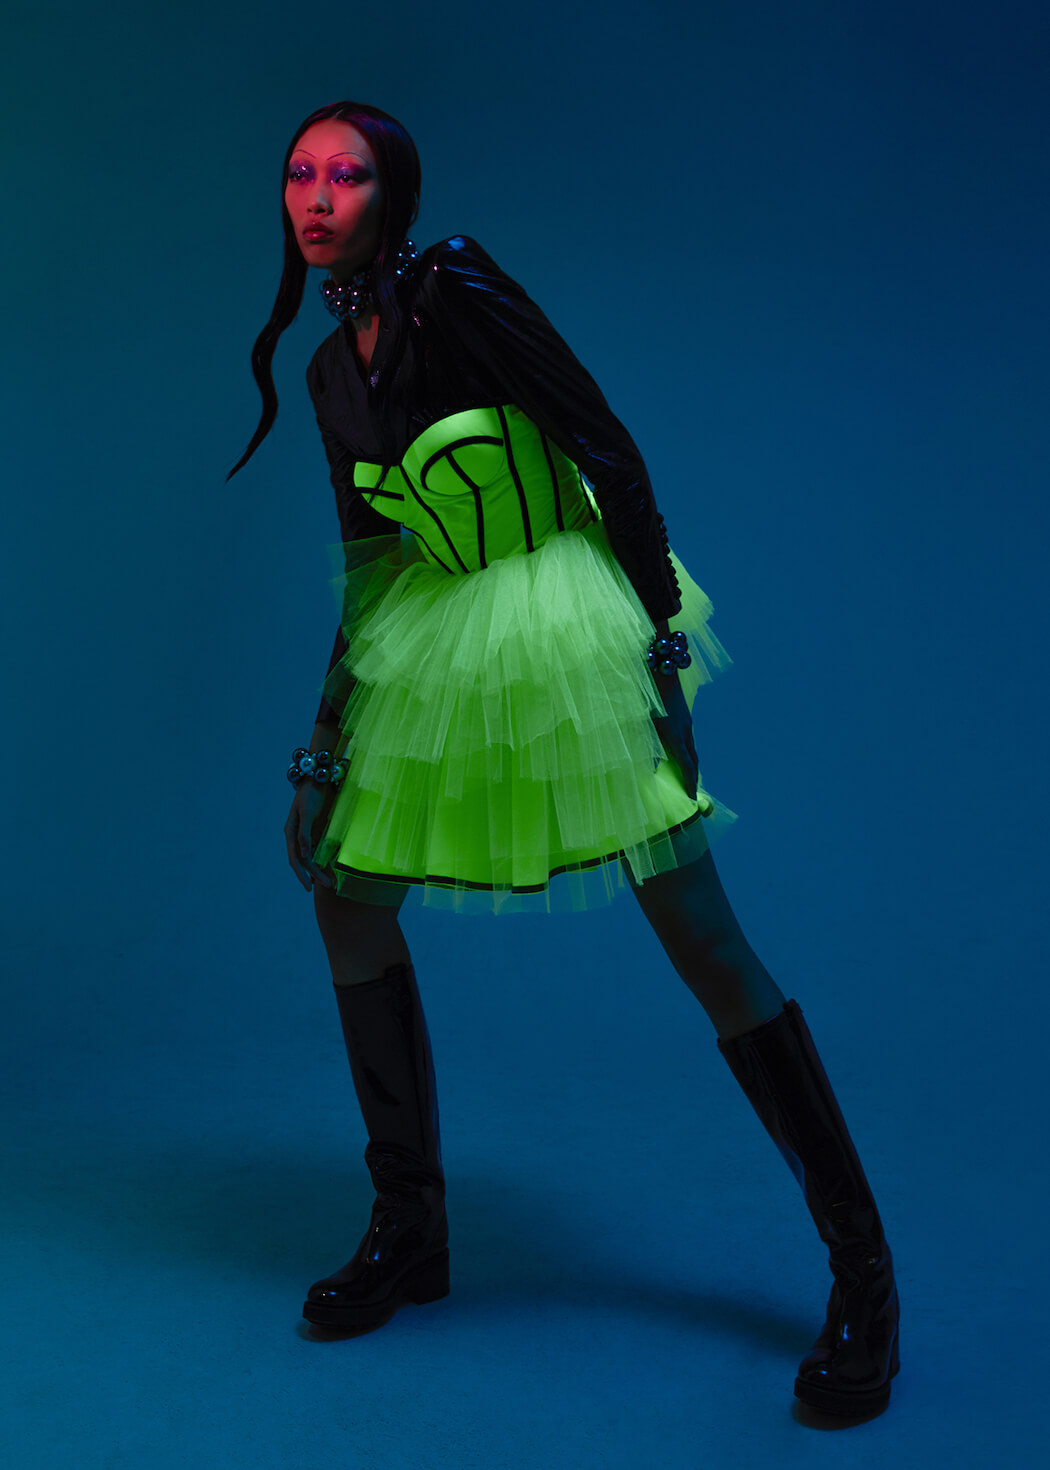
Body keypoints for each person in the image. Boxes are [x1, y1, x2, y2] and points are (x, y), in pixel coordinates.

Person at [226, 100, 900, 1418]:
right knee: (347, 899)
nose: (317, 196)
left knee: (700, 935)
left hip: (567, 611)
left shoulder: (454, 283)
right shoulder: (325, 375)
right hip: (437, 633)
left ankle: (864, 1276)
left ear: (393, 192)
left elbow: (606, 446)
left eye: (346, 174)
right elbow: (370, 567)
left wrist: (658, 652)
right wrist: (322, 749)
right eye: (300, 173)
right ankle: (409, 1228)